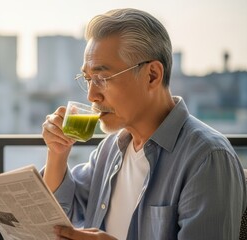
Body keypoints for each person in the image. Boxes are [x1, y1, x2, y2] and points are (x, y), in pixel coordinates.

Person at [41, 8, 247, 240]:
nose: (91, 96)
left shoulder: (207, 157)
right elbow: (58, 219)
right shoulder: (110, 151)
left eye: (102, 79)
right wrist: (57, 154)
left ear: (152, 75)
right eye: (88, 79)